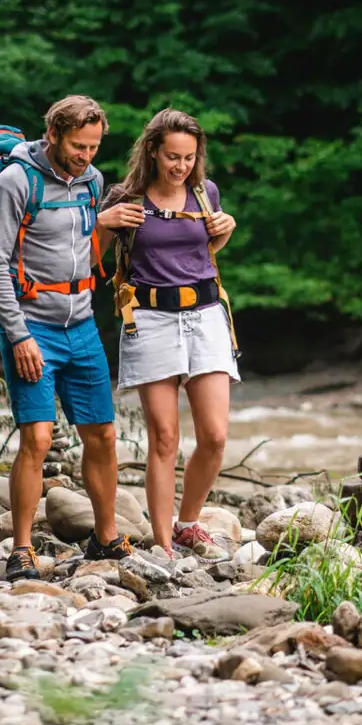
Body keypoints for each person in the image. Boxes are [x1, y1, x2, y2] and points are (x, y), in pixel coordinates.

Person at [0, 95, 143, 581]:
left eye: (94, 146)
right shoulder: (14, 183)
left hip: (82, 325)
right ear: (53, 135)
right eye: (78, 145)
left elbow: (90, 254)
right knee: (37, 438)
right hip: (32, 327)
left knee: (103, 434)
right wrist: (19, 337)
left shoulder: (92, 182)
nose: (87, 155)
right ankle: (22, 548)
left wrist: (108, 226)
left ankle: (107, 537)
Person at [98, 108, 239, 560]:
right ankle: (162, 544)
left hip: (205, 314)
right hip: (151, 318)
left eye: (189, 158)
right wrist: (103, 223)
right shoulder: (128, 197)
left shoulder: (205, 192)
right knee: (164, 439)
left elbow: (205, 251)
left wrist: (225, 230)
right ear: (154, 151)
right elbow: (93, 260)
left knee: (215, 436)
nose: (180, 166)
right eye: (172, 157)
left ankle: (189, 522)